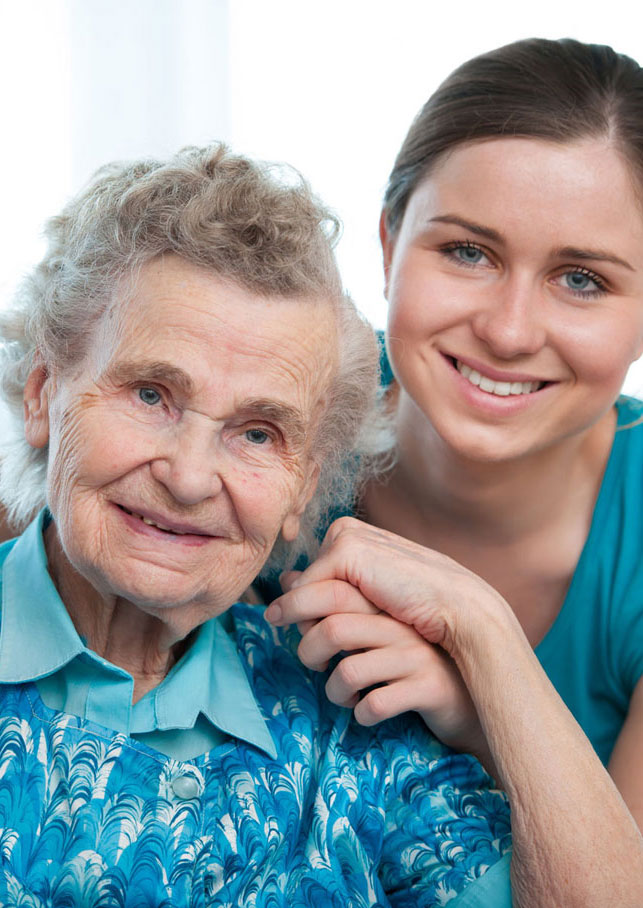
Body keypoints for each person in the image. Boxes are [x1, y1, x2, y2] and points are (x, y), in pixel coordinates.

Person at [0, 144, 514, 906]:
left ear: (304, 487)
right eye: (150, 394)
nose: (188, 475)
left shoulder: (355, 726)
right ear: (45, 394)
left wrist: (488, 637)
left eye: (257, 434)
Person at [264, 37, 643, 906]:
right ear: (391, 241)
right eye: (468, 252)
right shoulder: (275, 404)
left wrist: (485, 674)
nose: (509, 331)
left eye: (580, 279)